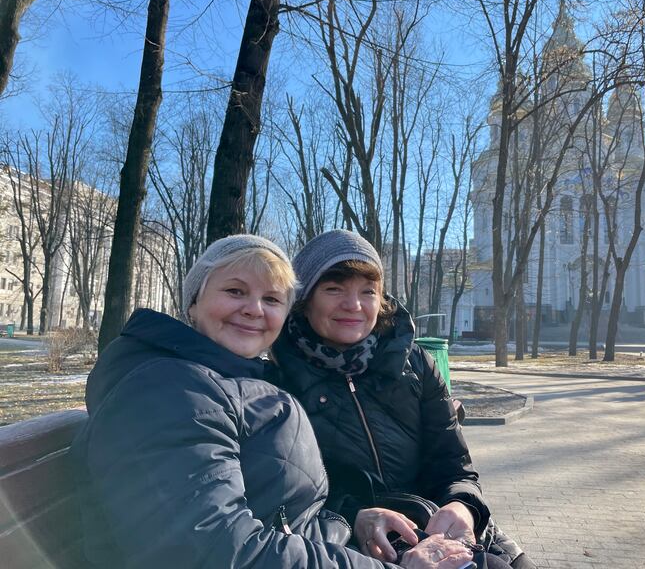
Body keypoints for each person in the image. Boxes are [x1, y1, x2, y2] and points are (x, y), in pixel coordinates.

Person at [70, 234, 474, 569]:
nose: (253, 309)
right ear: (193, 301)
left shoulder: (236, 381)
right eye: (234, 291)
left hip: (359, 538)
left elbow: (279, 510)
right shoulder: (171, 389)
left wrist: (361, 519)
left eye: (272, 299)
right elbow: (213, 547)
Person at [269, 230, 533, 568]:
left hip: (443, 529)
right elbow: (285, 501)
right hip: (348, 545)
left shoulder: (416, 364)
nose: (354, 305)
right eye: (334, 289)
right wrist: (354, 518)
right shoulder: (276, 383)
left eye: (369, 291)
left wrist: (463, 505)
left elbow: (454, 465)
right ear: (305, 299)